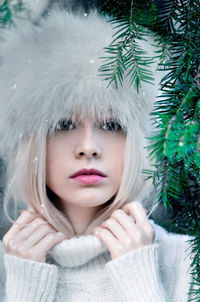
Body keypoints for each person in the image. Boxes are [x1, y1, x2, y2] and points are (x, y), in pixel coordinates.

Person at [0, 10, 195, 302]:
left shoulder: (187, 261)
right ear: (29, 143)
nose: (89, 147)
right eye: (64, 125)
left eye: (112, 125)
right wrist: (24, 288)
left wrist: (140, 282)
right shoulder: (7, 268)